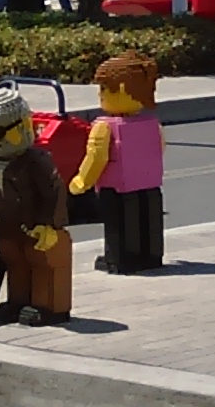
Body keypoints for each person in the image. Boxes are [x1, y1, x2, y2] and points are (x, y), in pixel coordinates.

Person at [0, 84, 70, 325]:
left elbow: (54, 192)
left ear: (24, 125)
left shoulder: (36, 162)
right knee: (14, 263)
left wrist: (49, 223)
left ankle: (47, 306)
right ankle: (17, 301)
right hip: (7, 226)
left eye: (1, 132)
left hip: (36, 227)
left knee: (43, 264)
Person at [70, 52, 165, 274]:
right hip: (149, 183)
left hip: (116, 186)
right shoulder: (151, 123)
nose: (100, 94)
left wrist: (82, 181)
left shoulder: (104, 127)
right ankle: (151, 255)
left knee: (120, 223)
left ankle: (120, 259)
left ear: (121, 89)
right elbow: (160, 147)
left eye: (104, 88)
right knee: (149, 219)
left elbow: (96, 157)